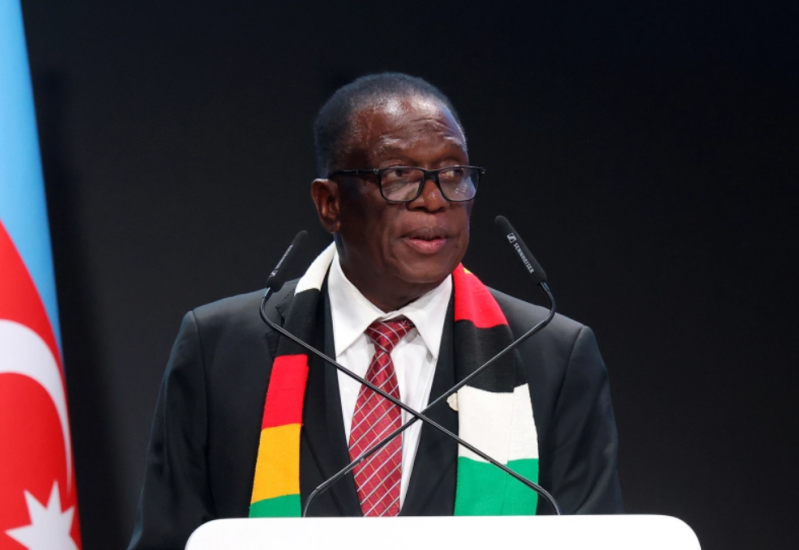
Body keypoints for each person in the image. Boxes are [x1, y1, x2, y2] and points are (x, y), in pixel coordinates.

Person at [128, 73, 623, 550]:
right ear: (330, 204)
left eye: (453, 174)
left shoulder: (551, 356)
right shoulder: (222, 350)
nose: (435, 201)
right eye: (400, 177)